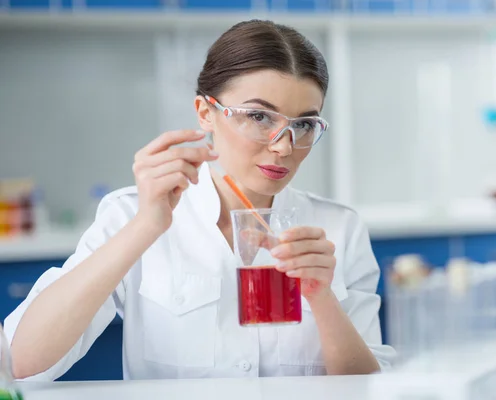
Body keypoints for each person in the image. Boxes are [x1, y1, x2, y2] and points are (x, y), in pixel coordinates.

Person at [4, 19, 395, 381]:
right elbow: (21, 364)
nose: (283, 147)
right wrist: (145, 227)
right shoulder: (130, 214)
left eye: (304, 124)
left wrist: (321, 297)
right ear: (206, 113)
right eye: (259, 117)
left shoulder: (339, 229)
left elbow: (369, 389)